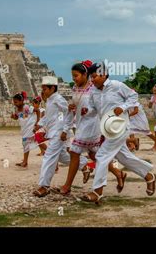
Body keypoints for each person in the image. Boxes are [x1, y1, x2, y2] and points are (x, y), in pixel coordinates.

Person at [79, 62, 156, 205]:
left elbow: (133, 96)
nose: (93, 80)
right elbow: (92, 109)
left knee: (101, 155)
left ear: (104, 75)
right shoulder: (94, 92)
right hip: (107, 129)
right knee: (124, 158)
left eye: (95, 76)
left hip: (120, 127)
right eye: (91, 77)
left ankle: (97, 191)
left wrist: (123, 106)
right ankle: (149, 176)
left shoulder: (117, 85)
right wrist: (86, 111)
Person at [51, 61, 123, 196]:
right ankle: (118, 173)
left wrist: (88, 110)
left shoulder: (94, 89)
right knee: (95, 155)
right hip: (80, 125)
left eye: (76, 76)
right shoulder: (75, 88)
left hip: (91, 125)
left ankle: (67, 186)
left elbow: (101, 107)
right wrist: (67, 123)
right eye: (72, 76)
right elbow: (73, 108)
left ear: (85, 75)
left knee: (74, 152)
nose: (74, 79)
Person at [33, 76, 90, 198]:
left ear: (52, 88)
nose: (43, 92)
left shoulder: (58, 99)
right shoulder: (49, 100)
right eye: (42, 89)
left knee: (48, 156)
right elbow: (49, 117)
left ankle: (44, 186)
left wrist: (65, 130)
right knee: (62, 156)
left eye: (45, 89)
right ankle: (84, 165)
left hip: (59, 133)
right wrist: (39, 125)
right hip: (54, 132)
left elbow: (69, 113)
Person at [11, 91, 38, 168]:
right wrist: (13, 117)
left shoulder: (27, 107)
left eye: (16, 102)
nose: (15, 103)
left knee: (36, 142)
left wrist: (37, 122)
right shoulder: (17, 109)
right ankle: (25, 162)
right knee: (26, 144)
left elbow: (38, 111)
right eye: (14, 102)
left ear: (21, 101)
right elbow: (17, 117)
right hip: (24, 129)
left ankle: (51, 156)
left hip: (30, 128)